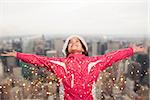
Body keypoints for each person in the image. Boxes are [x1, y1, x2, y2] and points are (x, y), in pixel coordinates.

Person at [0, 35, 145, 100]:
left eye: (78, 42)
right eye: (70, 42)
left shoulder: (94, 62)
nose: (74, 43)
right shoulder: (60, 63)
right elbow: (38, 59)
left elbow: (113, 56)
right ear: (67, 49)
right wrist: (17, 54)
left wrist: (131, 50)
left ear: (84, 48)